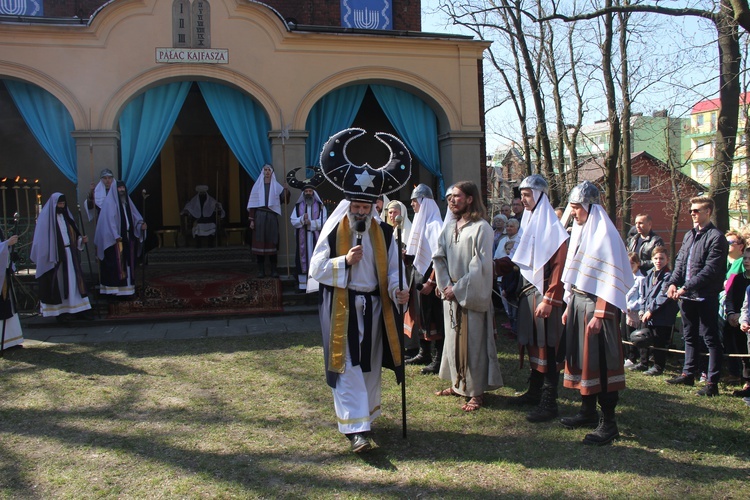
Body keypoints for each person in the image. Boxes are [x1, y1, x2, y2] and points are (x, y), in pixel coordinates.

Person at [307, 127, 412, 453]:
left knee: (369, 364)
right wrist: (344, 262)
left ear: (374, 206)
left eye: (367, 207)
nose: (362, 212)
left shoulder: (384, 231)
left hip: (376, 308)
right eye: (357, 207)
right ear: (348, 205)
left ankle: (364, 418)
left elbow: (394, 271)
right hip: (344, 308)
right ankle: (357, 432)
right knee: (348, 365)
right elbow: (316, 270)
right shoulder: (333, 231)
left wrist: (399, 291)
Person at [560, 181, 633, 445]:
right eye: (573, 207)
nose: (574, 212)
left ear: (590, 207)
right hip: (580, 304)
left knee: (601, 363)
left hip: (598, 307)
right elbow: (577, 275)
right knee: (583, 361)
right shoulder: (581, 231)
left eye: (578, 207)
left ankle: (609, 423)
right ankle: (587, 411)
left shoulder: (605, 234)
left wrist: (600, 313)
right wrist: (569, 305)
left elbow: (610, 276)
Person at [496, 174, 569, 423]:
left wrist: (551, 298)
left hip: (545, 297)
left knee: (548, 348)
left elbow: (559, 268)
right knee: (533, 346)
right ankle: (534, 392)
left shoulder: (552, 229)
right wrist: (491, 267)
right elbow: (517, 259)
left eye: (527, 195)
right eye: (522, 195)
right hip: (528, 294)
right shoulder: (528, 224)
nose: (523, 200)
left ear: (539, 195)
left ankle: (550, 402)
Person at [433, 181, 503, 412]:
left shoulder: (481, 227)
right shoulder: (450, 226)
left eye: (457, 196)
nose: (452, 200)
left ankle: (475, 392)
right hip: (451, 294)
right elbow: (439, 257)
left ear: (470, 199)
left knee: (473, 344)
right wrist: (445, 285)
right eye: (450, 197)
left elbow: (480, 266)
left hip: (470, 295)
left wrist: (458, 289)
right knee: (453, 342)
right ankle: (457, 384)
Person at [666, 196, 728, 397]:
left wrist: (686, 287)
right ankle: (688, 373)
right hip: (686, 297)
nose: (692, 213)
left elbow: (710, 270)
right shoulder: (689, 236)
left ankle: (712, 382)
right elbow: (680, 263)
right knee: (689, 335)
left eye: (696, 210)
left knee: (710, 338)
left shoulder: (716, 237)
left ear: (707, 212)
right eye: (691, 210)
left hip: (705, 296)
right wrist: (673, 283)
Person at [404, 183, 445, 375]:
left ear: (424, 202)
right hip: (418, 275)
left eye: (415, 201)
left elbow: (440, 257)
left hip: (430, 277)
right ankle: (424, 352)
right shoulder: (419, 224)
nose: (412, 204)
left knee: (434, 316)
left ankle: (438, 358)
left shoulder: (435, 224)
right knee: (420, 314)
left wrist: (433, 281)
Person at [30, 193, 92, 319]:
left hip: (70, 254)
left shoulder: (67, 218)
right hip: (56, 257)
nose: (61, 206)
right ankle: (61, 312)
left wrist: (81, 240)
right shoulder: (46, 221)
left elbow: (73, 235)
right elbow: (40, 242)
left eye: (63, 204)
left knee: (74, 282)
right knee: (60, 283)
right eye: (59, 204)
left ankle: (78, 309)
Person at [94, 181, 147, 297]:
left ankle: (127, 291)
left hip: (128, 238)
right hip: (114, 241)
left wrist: (140, 225)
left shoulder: (127, 203)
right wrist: (115, 235)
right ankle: (115, 292)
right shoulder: (109, 204)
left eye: (123, 187)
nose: (122, 190)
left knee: (127, 264)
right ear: (115, 189)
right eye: (119, 188)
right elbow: (108, 223)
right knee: (116, 265)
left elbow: (135, 218)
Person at [638, 246, 679, 376]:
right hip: (647, 313)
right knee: (644, 337)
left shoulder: (669, 276)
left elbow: (663, 295)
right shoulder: (649, 274)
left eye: (661, 258)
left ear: (667, 260)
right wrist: (642, 309)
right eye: (655, 258)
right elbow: (644, 294)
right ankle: (643, 362)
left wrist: (651, 310)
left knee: (659, 340)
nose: (658, 261)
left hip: (662, 315)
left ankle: (658, 366)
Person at [288, 167, 328, 293]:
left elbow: (324, 222)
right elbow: (293, 220)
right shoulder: (298, 206)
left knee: (316, 260)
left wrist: (311, 223)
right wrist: (301, 220)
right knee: (303, 259)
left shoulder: (321, 206)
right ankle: (303, 285)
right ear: (303, 193)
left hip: (316, 238)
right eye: (307, 191)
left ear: (313, 192)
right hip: (303, 238)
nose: (308, 193)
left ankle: (316, 285)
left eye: (311, 191)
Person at [247, 164, 290, 278]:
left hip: (271, 217)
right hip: (259, 217)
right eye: (265, 170)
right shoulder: (257, 187)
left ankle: (274, 270)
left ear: (272, 172)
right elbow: (253, 204)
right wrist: (252, 220)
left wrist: (286, 190)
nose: (267, 172)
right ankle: (261, 270)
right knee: (259, 242)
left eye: (269, 170)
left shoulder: (277, 186)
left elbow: (284, 200)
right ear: (262, 172)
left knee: (272, 242)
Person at [724, 246, 750, 391]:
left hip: (746, 319)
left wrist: (743, 317)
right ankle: (735, 373)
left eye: (749, 259)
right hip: (735, 319)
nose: (746, 261)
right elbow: (729, 298)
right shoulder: (738, 279)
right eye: (745, 258)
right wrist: (731, 314)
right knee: (735, 344)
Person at [494, 217, 522, 335]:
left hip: (513, 276)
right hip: (501, 275)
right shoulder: (502, 239)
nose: (509, 228)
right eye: (508, 226)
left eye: (512, 226)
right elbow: (496, 255)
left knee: (513, 305)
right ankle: (510, 324)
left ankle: (515, 328)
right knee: (506, 304)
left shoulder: (519, 239)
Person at [623, 253, 646, 370]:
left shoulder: (641, 279)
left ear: (638, 264)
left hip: (635, 311)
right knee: (626, 334)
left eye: (632, 263)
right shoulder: (626, 277)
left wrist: (631, 306)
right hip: (625, 310)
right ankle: (628, 355)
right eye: (628, 263)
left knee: (635, 334)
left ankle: (634, 357)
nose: (630, 265)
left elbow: (642, 296)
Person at [0, 230, 22, 349]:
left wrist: (9, 252)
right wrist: (6, 244)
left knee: (8, 305)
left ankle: (10, 340)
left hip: (2, 273)